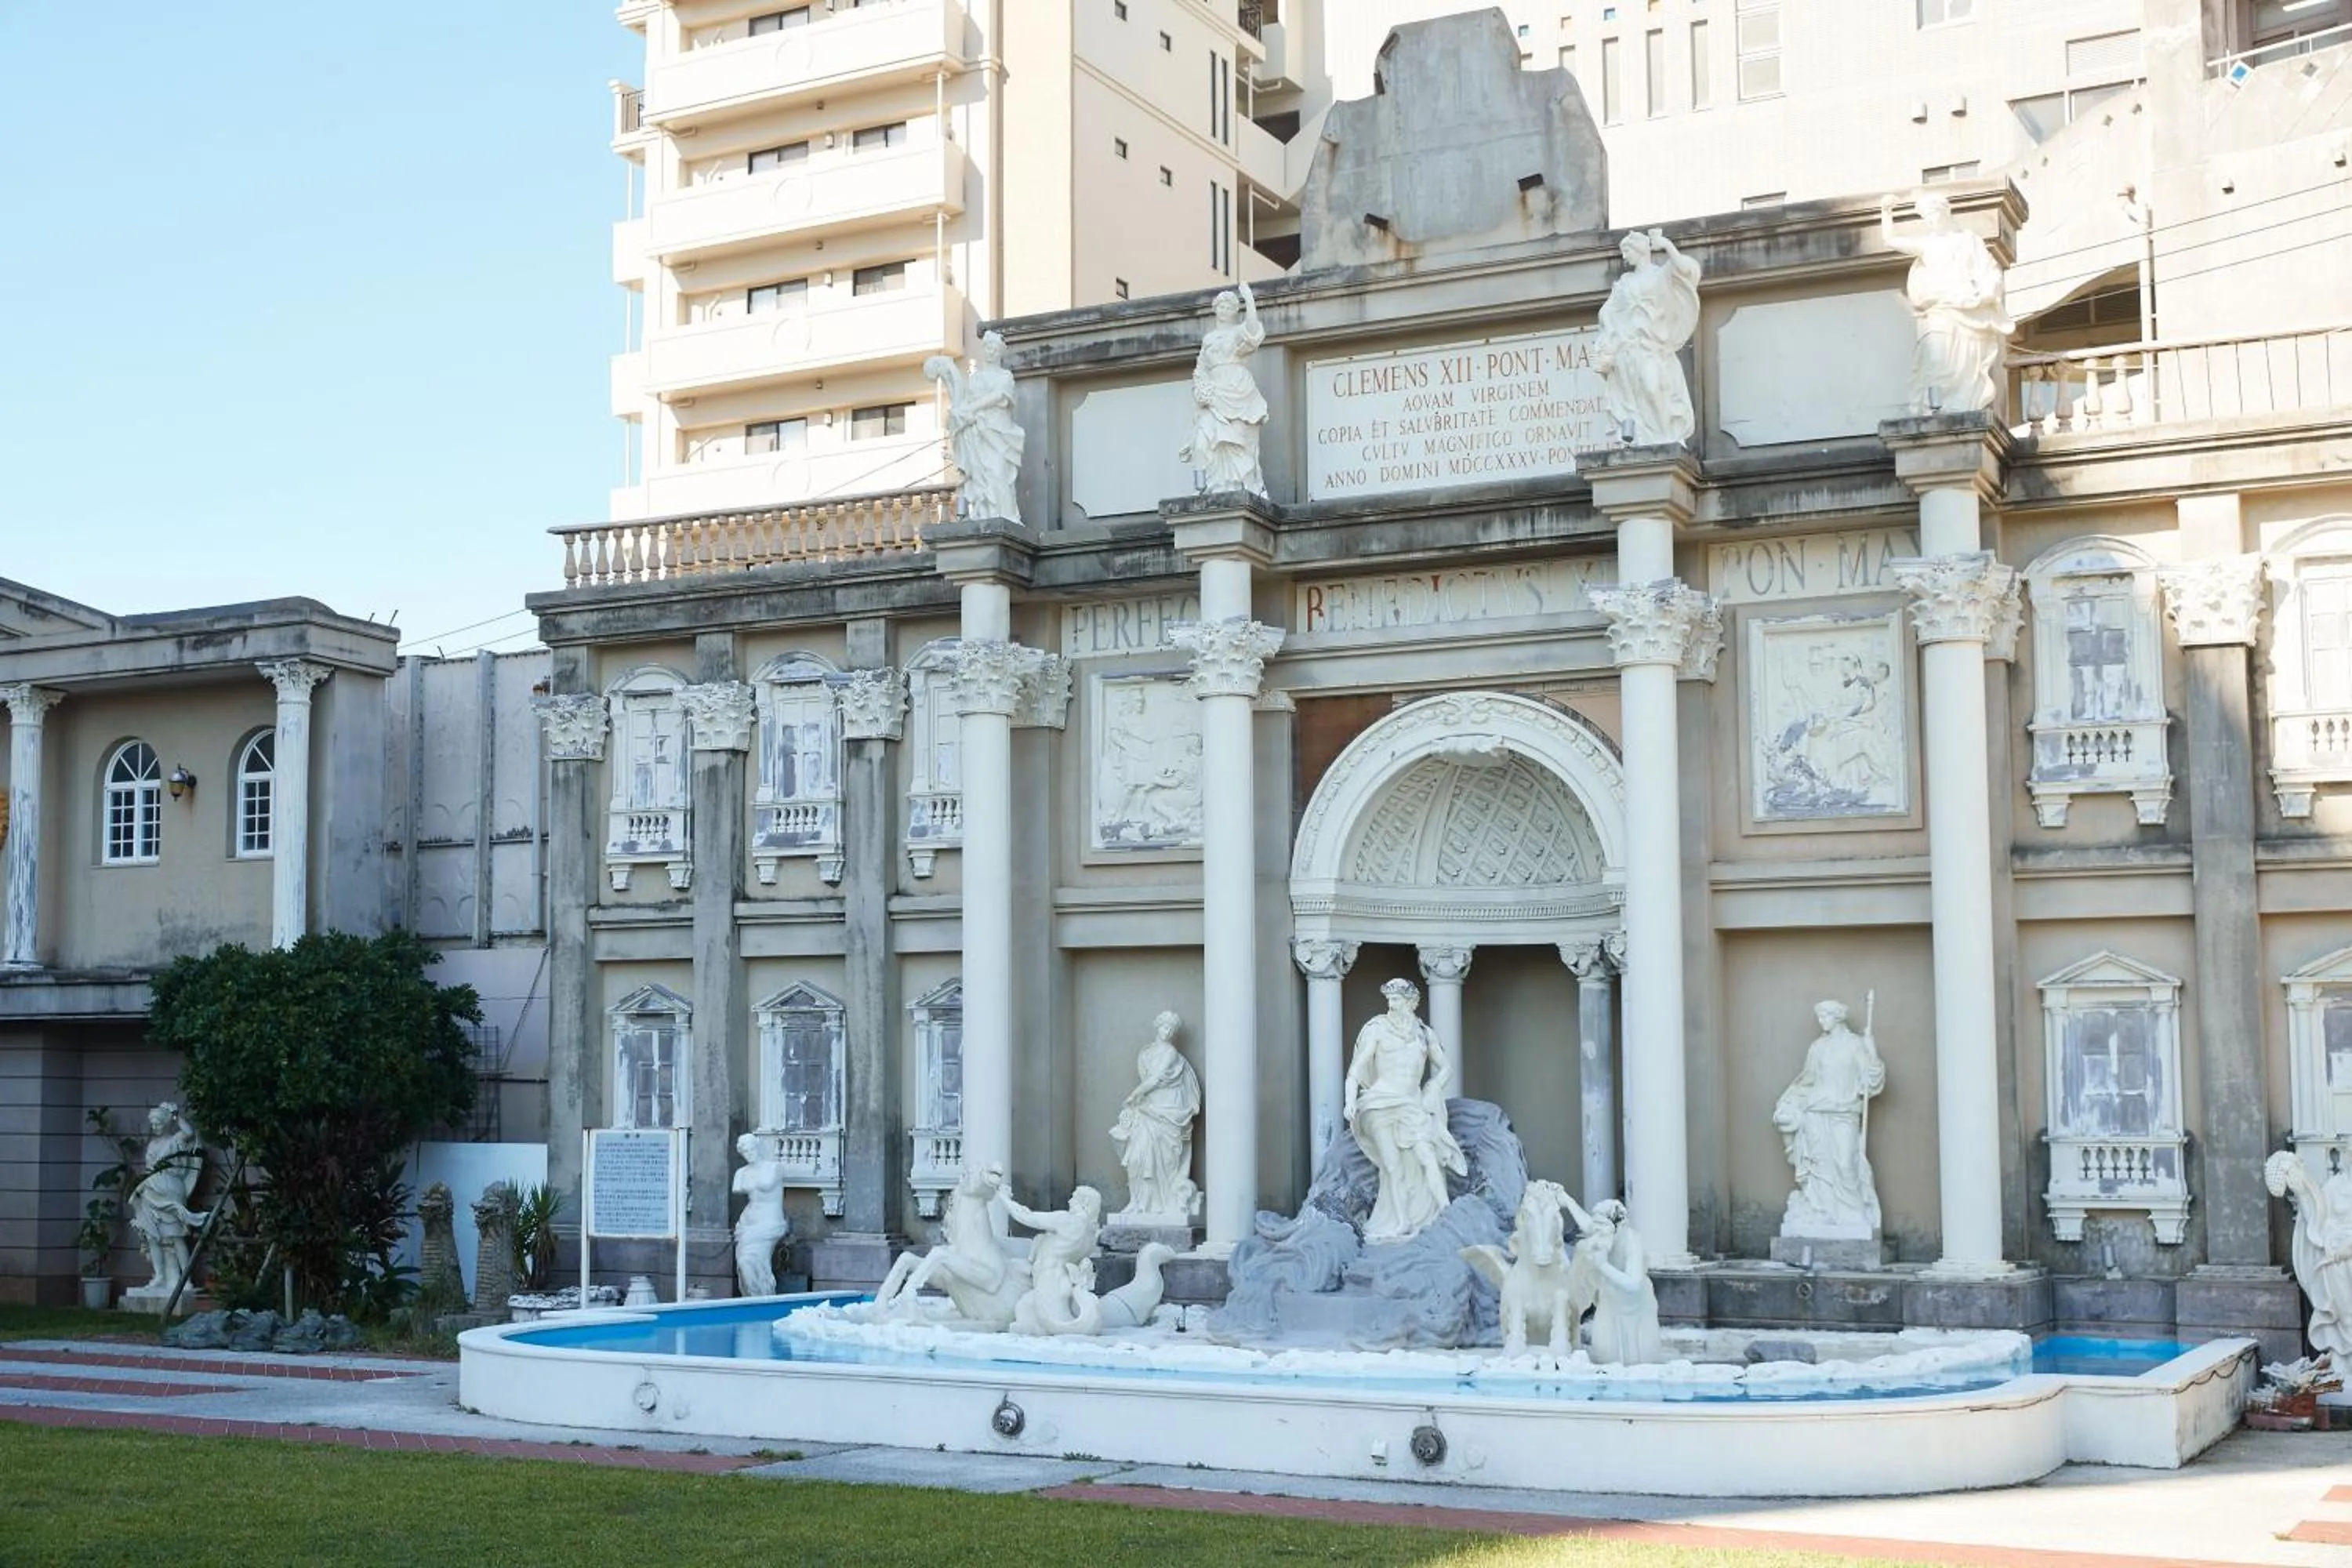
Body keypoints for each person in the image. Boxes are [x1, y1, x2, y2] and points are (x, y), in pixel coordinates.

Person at [1344, 979, 1467, 1243]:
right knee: (1392, 1165)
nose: (1391, 1004)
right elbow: (1356, 1068)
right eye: (1389, 999)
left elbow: (1446, 1067)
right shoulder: (1377, 1029)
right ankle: (1402, 1222)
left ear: (1411, 1002)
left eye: (1397, 999)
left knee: (1429, 1157)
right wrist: (1350, 1099)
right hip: (1379, 1104)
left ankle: (1446, 1213)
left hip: (1412, 1105)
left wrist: (1434, 1085)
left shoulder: (1423, 1033)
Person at [1881, 189, 2016, 415]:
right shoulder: (1927, 244)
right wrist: (1886, 212)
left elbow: (1989, 271)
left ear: (1945, 211)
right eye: (1927, 216)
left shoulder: (1969, 241)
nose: (1931, 219)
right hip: (1940, 307)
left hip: (1967, 306)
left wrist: (1986, 293)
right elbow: (1890, 240)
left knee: (1965, 362)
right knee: (1936, 360)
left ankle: (1959, 406)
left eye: (1934, 212)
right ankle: (1932, 407)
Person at [1773, 999, 1886, 1236]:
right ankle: (1822, 1210)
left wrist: (1872, 1050)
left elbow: (1871, 1079)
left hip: (1844, 1111)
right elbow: (1808, 1079)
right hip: (1816, 1111)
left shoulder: (1856, 1044)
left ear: (1837, 1017)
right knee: (1818, 1164)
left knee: (1846, 1163)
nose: (1821, 1022)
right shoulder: (1818, 1047)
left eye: (1825, 1017)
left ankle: (1851, 1214)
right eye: (1820, 1017)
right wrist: (1790, 1101)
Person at [1592, 228, 1701, 445]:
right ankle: (1636, 440)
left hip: (1651, 350)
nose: (1625, 257)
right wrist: (1606, 347)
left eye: (1627, 251)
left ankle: (1668, 436)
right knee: (1631, 399)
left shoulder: (1660, 275)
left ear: (1640, 250)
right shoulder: (1624, 283)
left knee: (1652, 389)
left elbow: (1688, 271)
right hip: (1627, 351)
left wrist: (1667, 246)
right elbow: (1607, 313)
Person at [925, 330, 1025, 524]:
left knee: (998, 473)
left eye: (994, 349)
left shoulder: (1006, 376)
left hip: (999, 432)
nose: (990, 352)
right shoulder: (976, 378)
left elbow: (999, 396)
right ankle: (986, 513)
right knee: (982, 476)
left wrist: (972, 408)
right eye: (987, 348)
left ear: (1000, 352)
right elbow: (965, 402)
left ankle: (1006, 515)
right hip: (979, 433)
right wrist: (959, 413)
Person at [1109, 1011, 1202, 1220]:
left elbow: (1157, 1078)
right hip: (1147, 1109)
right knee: (1137, 1157)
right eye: (1164, 1027)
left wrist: (1133, 1095)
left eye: (1171, 1029)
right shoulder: (1145, 1053)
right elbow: (1148, 1080)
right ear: (1157, 1026)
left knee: (1167, 1158)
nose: (1167, 1032)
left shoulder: (1170, 1053)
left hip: (1168, 1111)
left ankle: (1165, 1203)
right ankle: (1138, 1202)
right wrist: (1138, 1101)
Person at [1179, 281, 1269, 494]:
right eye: (1221, 306)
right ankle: (1205, 488)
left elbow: (1253, 334)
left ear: (1235, 311)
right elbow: (1200, 369)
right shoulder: (1208, 339)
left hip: (1238, 389)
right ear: (1215, 309)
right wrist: (1200, 391)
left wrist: (1250, 301)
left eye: (1229, 307)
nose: (1224, 311)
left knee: (1239, 440)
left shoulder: (1238, 332)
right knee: (1203, 441)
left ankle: (1241, 488)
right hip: (1214, 393)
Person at [128, 1102, 207, 1297]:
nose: (155, 1127)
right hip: (150, 1189)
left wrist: (175, 1115)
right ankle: (160, 1276)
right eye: (152, 1124)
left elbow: (189, 1132)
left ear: (166, 1123)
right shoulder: (152, 1144)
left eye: (158, 1123)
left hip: (170, 1188)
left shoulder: (175, 1139)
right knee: (152, 1235)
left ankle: (185, 1279)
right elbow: (149, 1169)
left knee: (175, 1236)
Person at [731, 1132, 793, 1297]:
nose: (748, 1154)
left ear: (758, 1147)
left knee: (750, 1262)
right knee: (743, 1263)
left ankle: (764, 1295)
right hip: (748, 1224)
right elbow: (737, 1188)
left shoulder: (774, 1168)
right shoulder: (741, 1172)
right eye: (744, 1152)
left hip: (769, 1222)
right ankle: (751, 1297)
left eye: (751, 1149)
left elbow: (765, 1183)